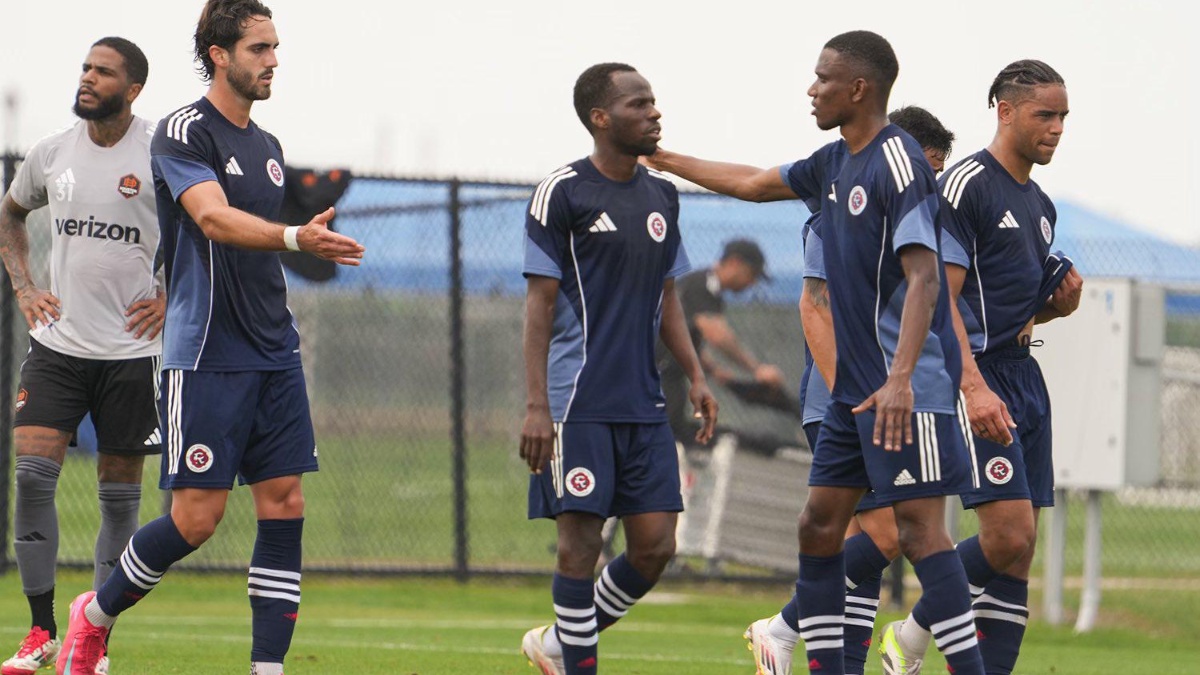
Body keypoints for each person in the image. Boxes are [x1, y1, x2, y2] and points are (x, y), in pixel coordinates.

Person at [646, 31, 986, 675]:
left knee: (917, 534)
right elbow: (748, 181)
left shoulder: (900, 163)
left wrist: (902, 380)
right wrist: (662, 158)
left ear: (858, 88)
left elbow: (925, 278)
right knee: (818, 527)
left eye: (822, 78)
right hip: (852, 397)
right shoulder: (833, 163)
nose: (811, 89)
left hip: (905, 392)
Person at [53, 3, 365, 674]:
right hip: (206, 356)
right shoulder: (183, 131)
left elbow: (260, 241)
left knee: (286, 502)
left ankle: (267, 668)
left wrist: (305, 244)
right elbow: (215, 220)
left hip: (274, 351)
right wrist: (293, 235)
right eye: (260, 47)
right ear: (219, 54)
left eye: (275, 46)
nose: (273, 59)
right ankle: (95, 614)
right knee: (196, 520)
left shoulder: (270, 148)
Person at [880, 59, 1081, 675]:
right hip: (977, 377)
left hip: (1022, 375)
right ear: (1005, 110)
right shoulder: (968, 182)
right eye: (1045, 114)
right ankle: (910, 636)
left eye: (1063, 117)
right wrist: (972, 385)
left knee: (1019, 554)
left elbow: (1005, 310)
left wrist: (1054, 307)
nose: (1056, 128)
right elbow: (938, 296)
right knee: (1007, 535)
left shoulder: (1041, 203)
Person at [518, 62, 718, 675]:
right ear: (600, 119)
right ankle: (576, 661)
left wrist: (697, 375)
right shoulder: (563, 192)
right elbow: (539, 303)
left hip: (644, 400)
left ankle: (558, 642)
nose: (654, 113)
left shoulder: (663, 194)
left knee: (656, 545)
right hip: (577, 401)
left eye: (654, 102)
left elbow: (668, 298)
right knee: (578, 547)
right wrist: (536, 405)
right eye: (639, 104)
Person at [772, 105, 955, 675]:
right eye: (927, 167)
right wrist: (850, 400)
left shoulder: (914, 224)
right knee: (886, 533)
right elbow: (813, 307)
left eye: (937, 172)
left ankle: (828, 656)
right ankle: (781, 626)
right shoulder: (837, 214)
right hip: (846, 402)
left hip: (888, 401)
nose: (929, 183)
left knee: (866, 558)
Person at [0, 37, 159, 675]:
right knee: (32, 478)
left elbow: (206, 229)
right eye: (86, 68)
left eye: (104, 71)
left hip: (133, 356)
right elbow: (10, 214)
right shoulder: (50, 153)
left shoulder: (162, 154)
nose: (89, 78)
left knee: (119, 502)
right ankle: (39, 631)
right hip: (57, 347)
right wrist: (24, 287)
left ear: (134, 88)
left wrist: (172, 299)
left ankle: (92, 641)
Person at [658, 237, 786, 445]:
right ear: (735, 263)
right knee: (667, 435)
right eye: (752, 274)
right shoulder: (704, 284)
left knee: (671, 431)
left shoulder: (706, 290)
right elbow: (716, 333)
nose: (752, 283)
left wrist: (713, 369)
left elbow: (687, 337)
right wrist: (757, 369)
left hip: (668, 374)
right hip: (659, 373)